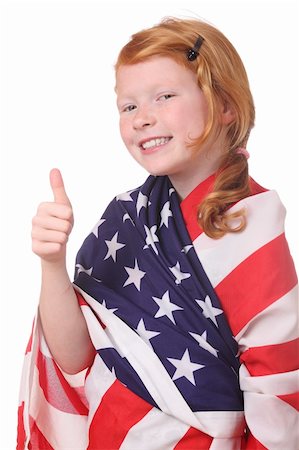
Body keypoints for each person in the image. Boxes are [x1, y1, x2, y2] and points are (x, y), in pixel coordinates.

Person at [17, 17, 298, 450]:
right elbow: (77, 361)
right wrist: (52, 264)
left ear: (225, 105)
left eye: (164, 97)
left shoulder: (249, 229)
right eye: (128, 107)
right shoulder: (127, 219)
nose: (142, 119)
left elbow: (278, 395)